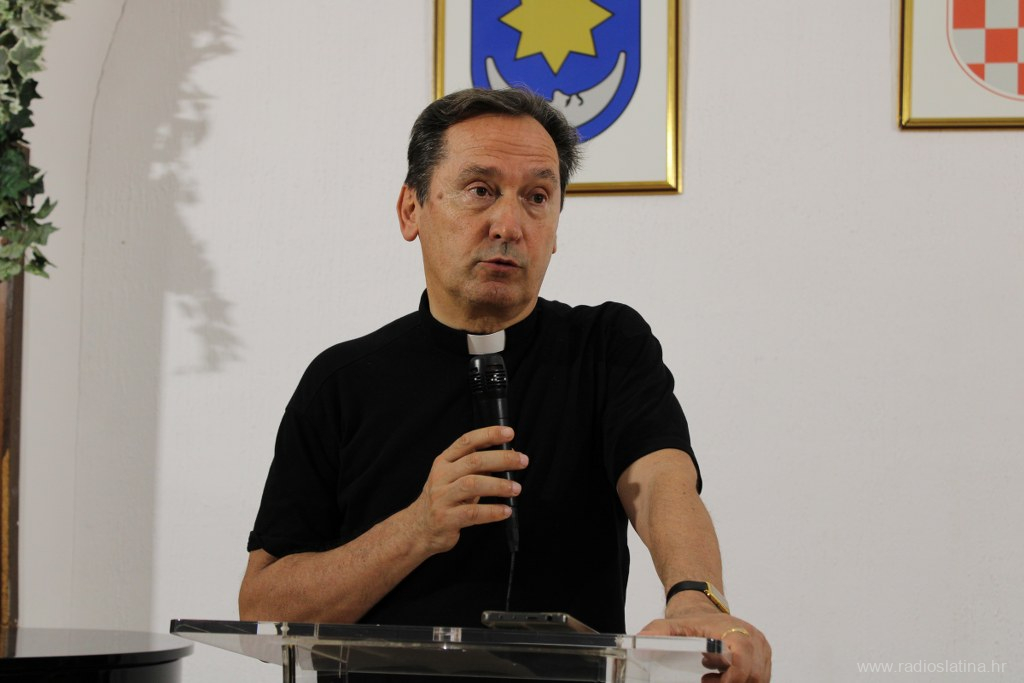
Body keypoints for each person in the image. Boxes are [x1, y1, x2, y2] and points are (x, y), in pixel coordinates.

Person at [239, 88, 771, 682]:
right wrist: (416, 529)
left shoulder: (606, 347)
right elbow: (263, 607)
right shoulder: (341, 382)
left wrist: (695, 597)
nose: (510, 225)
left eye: (537, 197)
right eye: (481, 190)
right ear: (411, 209)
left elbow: (661, 481)